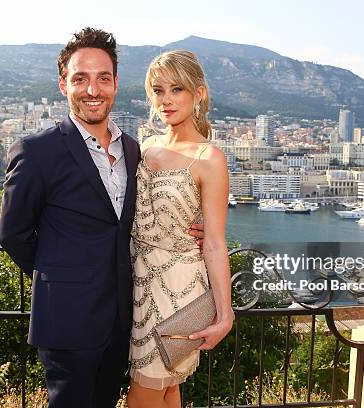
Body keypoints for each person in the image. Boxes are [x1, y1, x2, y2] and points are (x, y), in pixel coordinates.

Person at [0, 29, 203, 408]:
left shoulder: (133, 149)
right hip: (67, 321)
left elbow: (153, 211)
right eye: (81, 78)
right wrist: (60, 278)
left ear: (115, 83)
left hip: (126, 319)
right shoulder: (36, 151)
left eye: (102, 78)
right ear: (64, 85)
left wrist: (194, 229)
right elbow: (13, 235)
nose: (93, 89)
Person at [126, 50, 234, 408]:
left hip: (180, 291)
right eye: (158, 90)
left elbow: (215, 243)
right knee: (167, 389)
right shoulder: (145, 148)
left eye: (177, 89)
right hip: (138, 283)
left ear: (198, 94)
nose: (166, 100)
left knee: (146, 392)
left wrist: (225, 314)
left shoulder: (209, 158)